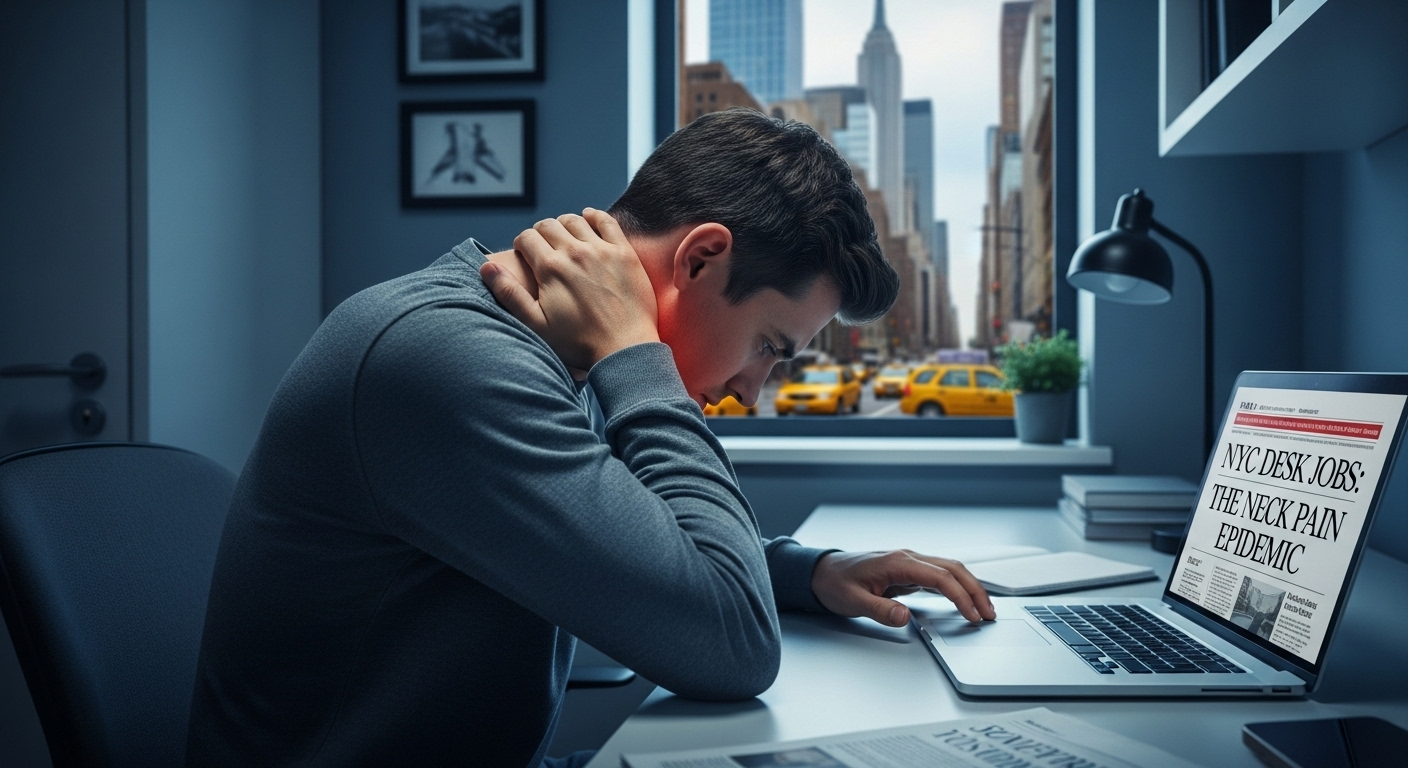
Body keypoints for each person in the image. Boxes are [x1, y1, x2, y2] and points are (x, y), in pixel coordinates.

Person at [186, 109, 996, 768]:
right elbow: (733, 645)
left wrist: (807, 571)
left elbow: (637, 536)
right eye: (770, 347)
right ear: (702, 259)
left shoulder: (548, 349)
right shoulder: (447, 358)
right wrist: (636, 356)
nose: (755, 389)